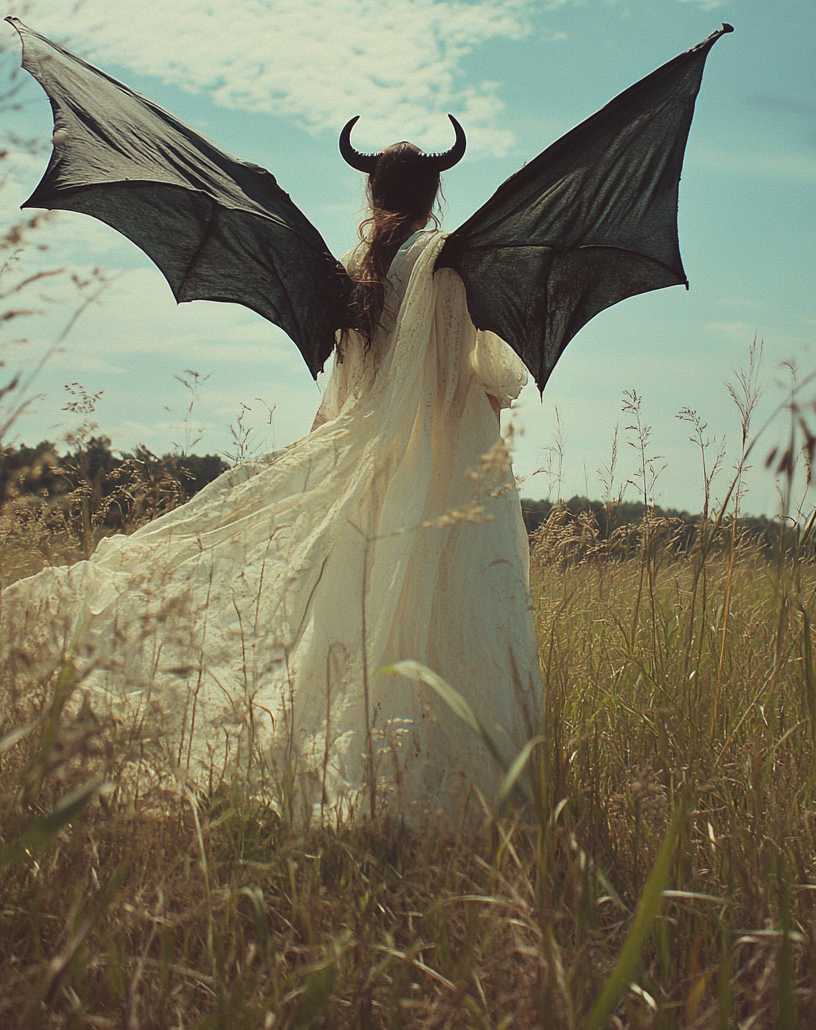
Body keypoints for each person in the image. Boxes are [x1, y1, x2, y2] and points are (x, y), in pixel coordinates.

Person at [1, 141, 541, 822]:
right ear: (434, 196)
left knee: (357, 611)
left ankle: (353, 772)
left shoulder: (351, 273)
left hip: (366, 475)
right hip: (444, 472)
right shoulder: (453, 268)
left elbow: (345, 392)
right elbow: (494, 381)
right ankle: (435, 786)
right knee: (437, 610)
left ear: (372, 195)